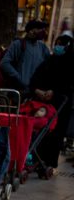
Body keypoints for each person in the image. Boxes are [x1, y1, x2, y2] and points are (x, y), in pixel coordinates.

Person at [29, 34, 74, 173]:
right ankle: (36, 158)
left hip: (61, 105)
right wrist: (37, 90)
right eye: (57, 43)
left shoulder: (70, 64)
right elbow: (36, 77)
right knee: (40, 129)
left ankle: (49, 162)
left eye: (61, 44)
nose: (58, 46)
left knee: (55, 133)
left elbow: (68, 84)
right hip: (43, 103)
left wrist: (54, 92)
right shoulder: (49, 60)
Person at [1, 19, 51, 96]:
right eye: (39, 28)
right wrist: (19, 78)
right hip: (20, 92)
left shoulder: (42, 47)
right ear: (31, 30)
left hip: (36, 92)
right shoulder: (18, 44)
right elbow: (4, 63)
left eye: (43, 28)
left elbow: (49, 64)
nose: (42, 31)